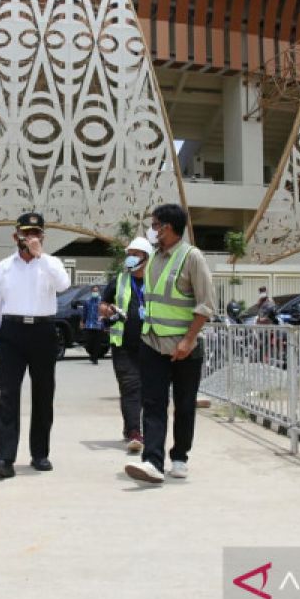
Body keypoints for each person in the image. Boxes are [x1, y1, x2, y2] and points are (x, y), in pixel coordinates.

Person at [125, 204, 216, 485]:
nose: (152, 230)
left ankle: (179, 457)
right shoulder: (153, 258)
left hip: (184, 348)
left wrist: (188, 340)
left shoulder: (192, 257)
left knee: (185, 405)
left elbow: (206, 305)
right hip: (152, 343)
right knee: (152, 403)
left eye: (155, 225)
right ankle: (152, 461)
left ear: (168, 227)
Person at [0, 212, 71, 479]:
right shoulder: (4, 267)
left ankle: (40, 453)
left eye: (36, 234)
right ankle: (5, 457)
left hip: (43, 331)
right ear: (16, 236)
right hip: (12, 332)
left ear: (42, 236)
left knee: (43, 394)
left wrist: (41, 256)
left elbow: (64, 285)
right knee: (8, 395)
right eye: (26, 233)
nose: (31, 238)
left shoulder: (50, 263)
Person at [100, 237, 153, 454]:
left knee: (147, 390)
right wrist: (107, 311)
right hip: (123, 344)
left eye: (135, 254)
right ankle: (134, 432)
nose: (130, 258)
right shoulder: (119, 280)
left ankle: (131, 427)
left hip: (151, 343)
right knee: (130, 386)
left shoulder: (155, 281)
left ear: (146, 258)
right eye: (129, 253)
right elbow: (102, 304)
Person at [82, 285, 106, 365]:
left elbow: (105, 312)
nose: (95, 292)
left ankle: (95, 358)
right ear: (91, 292)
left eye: (96, 291)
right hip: (89, 325)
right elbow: (84, 313)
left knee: (97, 343)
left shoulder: (102, 301)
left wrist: (106, 322)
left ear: (98, 292)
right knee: (89, 343)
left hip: (99, 325)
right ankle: (92, 354)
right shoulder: (87, 301)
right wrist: (83, 322)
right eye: (94, 291)